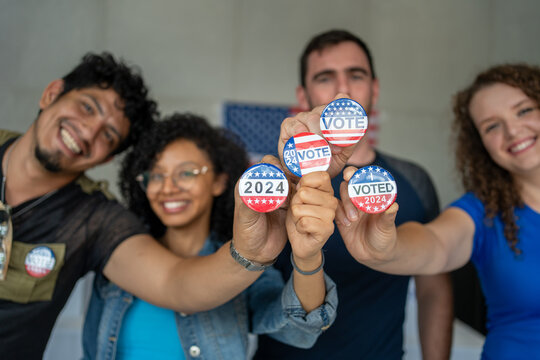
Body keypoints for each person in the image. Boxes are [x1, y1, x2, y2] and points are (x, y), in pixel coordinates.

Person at [0, 52, 304, 359]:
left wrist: (251, 254)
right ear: (52, 94)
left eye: (108, 135)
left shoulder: (97, 221)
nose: (88, 131)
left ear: (107, 158)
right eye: (87, 107)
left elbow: (175, 283)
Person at [255, 29, 453, 360]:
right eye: (325, 77)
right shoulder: (277, 182)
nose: (343, 89)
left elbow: (433, 288)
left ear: (374, 88)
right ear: (303, 95)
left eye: (356, 75)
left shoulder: (414, 180)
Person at [82, 113, 338, 359]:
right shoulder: (119, 256)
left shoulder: (245, 265)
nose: (168, 188)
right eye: (156, 175)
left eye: (186, 173)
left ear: (219, 181)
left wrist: (307, 258)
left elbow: (299, 327)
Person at [337, 63, 540, 359]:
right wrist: (384, 247)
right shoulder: (481, 212)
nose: (512, 131)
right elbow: (435, 244)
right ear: (481, 145)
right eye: (492, 126)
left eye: (524, 111)